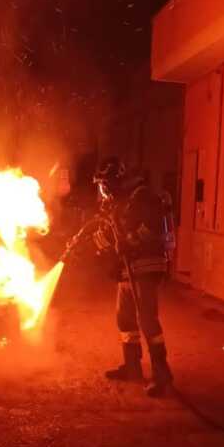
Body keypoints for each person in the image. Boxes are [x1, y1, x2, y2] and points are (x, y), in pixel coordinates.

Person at [91, 157, 173, 397]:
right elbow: (115, 234)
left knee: (147, 320)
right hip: (128, 270)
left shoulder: (142, 196)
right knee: (124, 319)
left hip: (145, 266)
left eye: (104, 184)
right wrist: (103, 245)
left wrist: (131, 242)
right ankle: (132, 367)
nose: (103, 190)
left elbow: (153, 227)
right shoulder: (120, 202)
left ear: (115, 180)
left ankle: (162, 373)